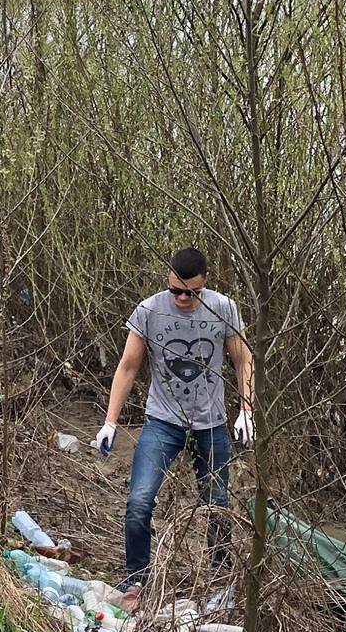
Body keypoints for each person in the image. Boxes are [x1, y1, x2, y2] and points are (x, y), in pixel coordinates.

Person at [94, 247, 254, 591]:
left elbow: (244, 360)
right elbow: (128, 366)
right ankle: (136, 581)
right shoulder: (149, 310)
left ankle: (220, 581)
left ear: (205, 283)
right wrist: (111, 421)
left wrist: (246, 410)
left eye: (191, 292)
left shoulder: (222, 308)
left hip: (210, 423)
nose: (182, 298)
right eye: (175, 290)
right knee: (138, 501)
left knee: (217, 506)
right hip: (162, 421)